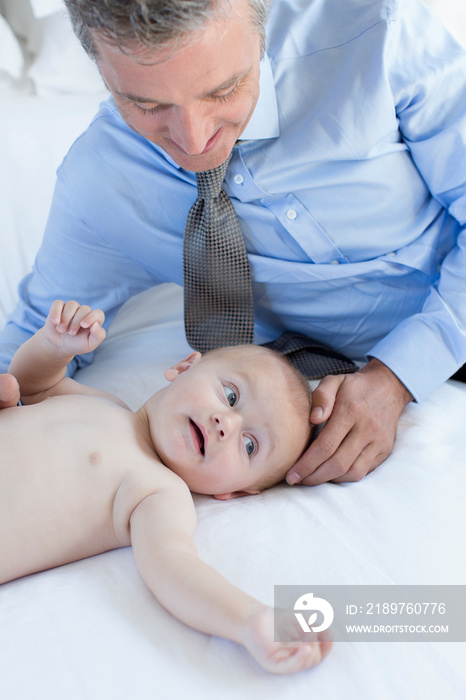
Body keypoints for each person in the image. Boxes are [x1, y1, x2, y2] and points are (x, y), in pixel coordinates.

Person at [1, 0, 466, 487]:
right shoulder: (103, 184)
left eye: (225, 89)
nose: (195, 140)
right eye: (148, 105)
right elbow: (37, 330)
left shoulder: (374, 30)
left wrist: (396, 376)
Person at [0, 300, 332, 674]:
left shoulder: (158, 492)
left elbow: (173, 567)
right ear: (184, 367)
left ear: (236, 491)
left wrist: (249, 620)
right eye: (231, 396)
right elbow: (32, 383)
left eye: (250, 444)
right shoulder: (107, 405)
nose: (227, 423)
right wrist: (54, 346)